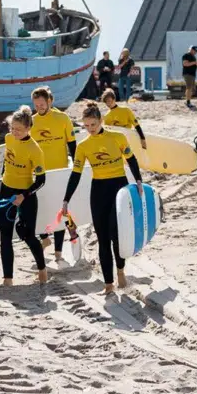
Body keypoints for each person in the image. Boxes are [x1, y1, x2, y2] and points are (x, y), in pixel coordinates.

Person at [62, 101, 143, 295]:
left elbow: (131, 159)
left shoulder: (118, 137)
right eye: (86, 126)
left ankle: (121, 272)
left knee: (117, 236)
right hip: (98, 191)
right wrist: (66, 199)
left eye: (93, 125)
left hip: (119, 189)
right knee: (103, 238)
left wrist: (139, 180)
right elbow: (76, 174)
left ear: (101, 120)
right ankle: (108, 284)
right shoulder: (83, 146)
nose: (90, 129)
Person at [0, 107, 48, 286]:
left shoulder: (35, 149)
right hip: (6, 190)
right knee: (5, 235)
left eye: (18, 129)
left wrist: (23, 196)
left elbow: (41, 180)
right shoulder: (8, 139)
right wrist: (3, 179)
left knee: (28, 235)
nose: (14, 132)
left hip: (25, 194)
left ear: (28, 129)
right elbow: (6, 161)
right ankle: (8, 278)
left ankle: (42, 269)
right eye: (12, 128)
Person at [31, 86, 77, 258]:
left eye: (42, 104)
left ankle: (58, 251)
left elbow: (72, 145)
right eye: (36, 105)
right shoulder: (32, 121)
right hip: (40, 174)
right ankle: (44, 237)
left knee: (60, 211)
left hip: (60, 172)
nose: (39, 108)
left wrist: (77, 169)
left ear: (49, 101)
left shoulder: (62, 118)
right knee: (40, 209)